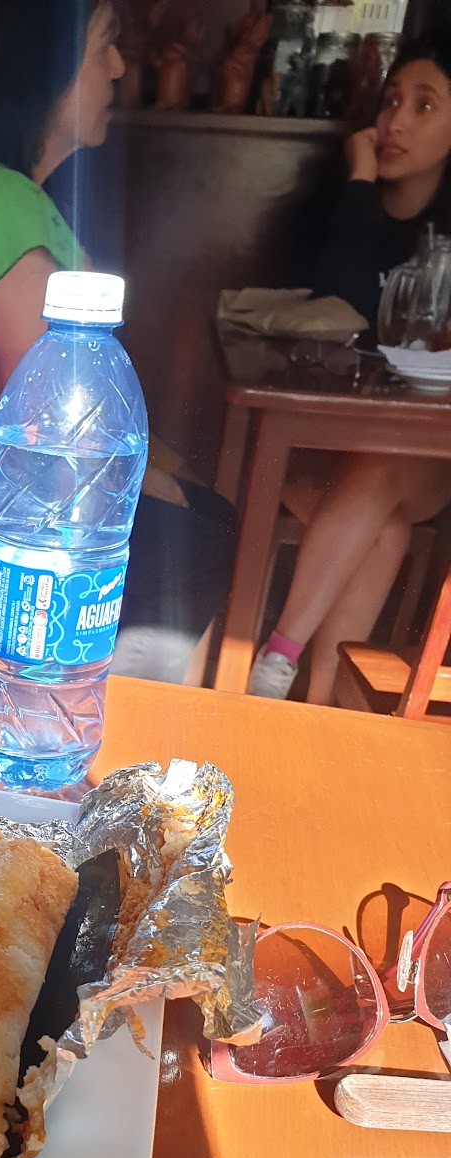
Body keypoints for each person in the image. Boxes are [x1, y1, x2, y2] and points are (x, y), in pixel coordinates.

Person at [0, 0, 236, 687]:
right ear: (40, 69)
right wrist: (169, 486)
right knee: (205, 528)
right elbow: (64, 437)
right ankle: (129, 718)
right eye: (105, 44)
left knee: (198, 508)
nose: (119, 67)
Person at [249, 33, 451, 703]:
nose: (395, 122)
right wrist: (360, 188)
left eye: (424, 106)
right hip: (321, 452)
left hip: (421, 459)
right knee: (384, 530)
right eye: (391, 101)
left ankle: (276, 657)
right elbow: (338, 310)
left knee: (385, 462)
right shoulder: (339, 208)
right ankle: (318, 708)